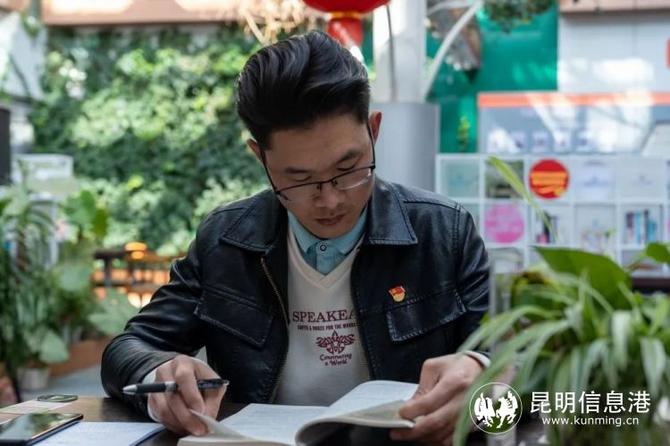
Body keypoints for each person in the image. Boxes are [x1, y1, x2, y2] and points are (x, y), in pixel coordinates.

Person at [101, 30, 489, 445]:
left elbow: (515, 354)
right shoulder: (225, 242)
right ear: (260, 157)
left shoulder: (444, 232)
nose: (330, 200)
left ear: (373, 130)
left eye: (349, 168)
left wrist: (486, 373)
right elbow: (129, 347)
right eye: (299, 179)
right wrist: (159, 371)